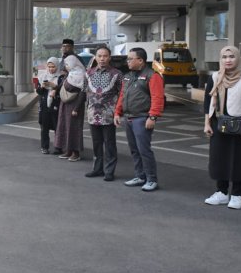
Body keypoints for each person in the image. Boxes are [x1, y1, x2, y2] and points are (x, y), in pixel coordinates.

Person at [203, 45, 241, 209]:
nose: (228, 60)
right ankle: (222, 192)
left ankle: (237, 195)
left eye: (231, 57)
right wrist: (206, 123)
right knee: (220, 159)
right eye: (224, 57)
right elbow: (207, 102)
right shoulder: (215, 77)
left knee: (240, 160)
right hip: (218, 123)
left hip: (239, 125)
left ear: (238, 58)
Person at [114, 47, 165, 192]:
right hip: (129, 117)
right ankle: (140, 176)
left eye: (130, 59)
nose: (127, 61)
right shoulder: (128, 76)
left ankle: (151, 179)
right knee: (134, 149)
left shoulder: (152, 76)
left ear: (140, 60)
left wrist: (153, 117)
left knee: (144, 150)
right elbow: (122, 96)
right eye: (128, 59)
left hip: (142, 118)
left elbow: (157, 98)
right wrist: (117, 113)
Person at [84, 46, 123, 180]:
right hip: (92, 114)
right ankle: (97, 169)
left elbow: (122, 94)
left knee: (110, 143)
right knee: (96, 143)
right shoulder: (88, 73)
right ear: (95, 57)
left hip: (108, 115)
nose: (102, 58)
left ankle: (109, 171)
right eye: (99, 56)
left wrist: (118, 112)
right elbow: (86, 92)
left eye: (105, 56)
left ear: (109, 58)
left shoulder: (117, 74)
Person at [55, 54, 86, 162]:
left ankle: (76, 153)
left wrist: (76, 108)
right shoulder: (70, 74)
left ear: (73, 63)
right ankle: (68, 150)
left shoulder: (82, 75)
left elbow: (83, 93)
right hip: (65, 104)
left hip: (74, 106)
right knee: (65, 127)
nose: (66, 66)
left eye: (67, 64)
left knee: (74, 128)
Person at [36, 57, 61, 154]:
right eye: (49, 66)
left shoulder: (61, 77)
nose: (51, 69)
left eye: (53, 66)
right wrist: (42, 87)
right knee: (44, 127)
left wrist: (55, 87)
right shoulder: (43, 76)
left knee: (57, 127)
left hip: (56, 105)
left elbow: (63, 90)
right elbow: (39, 92)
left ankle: (58, 147)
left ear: (57, 66)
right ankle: (44, 147)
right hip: (44, 105)